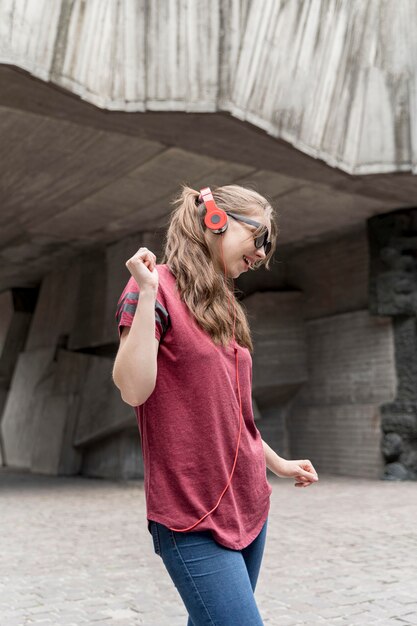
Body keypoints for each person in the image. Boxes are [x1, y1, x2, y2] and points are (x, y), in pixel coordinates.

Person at [112, 184, 319, 626]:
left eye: (269, 246)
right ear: (215, 221)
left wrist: (277, 463)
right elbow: (133, 389)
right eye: (259, 238)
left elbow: (229, 413)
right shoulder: (154, 287)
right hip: (191, 515)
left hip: (250, 501)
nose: (263, 254)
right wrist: (146, 294)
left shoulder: (221, 304)